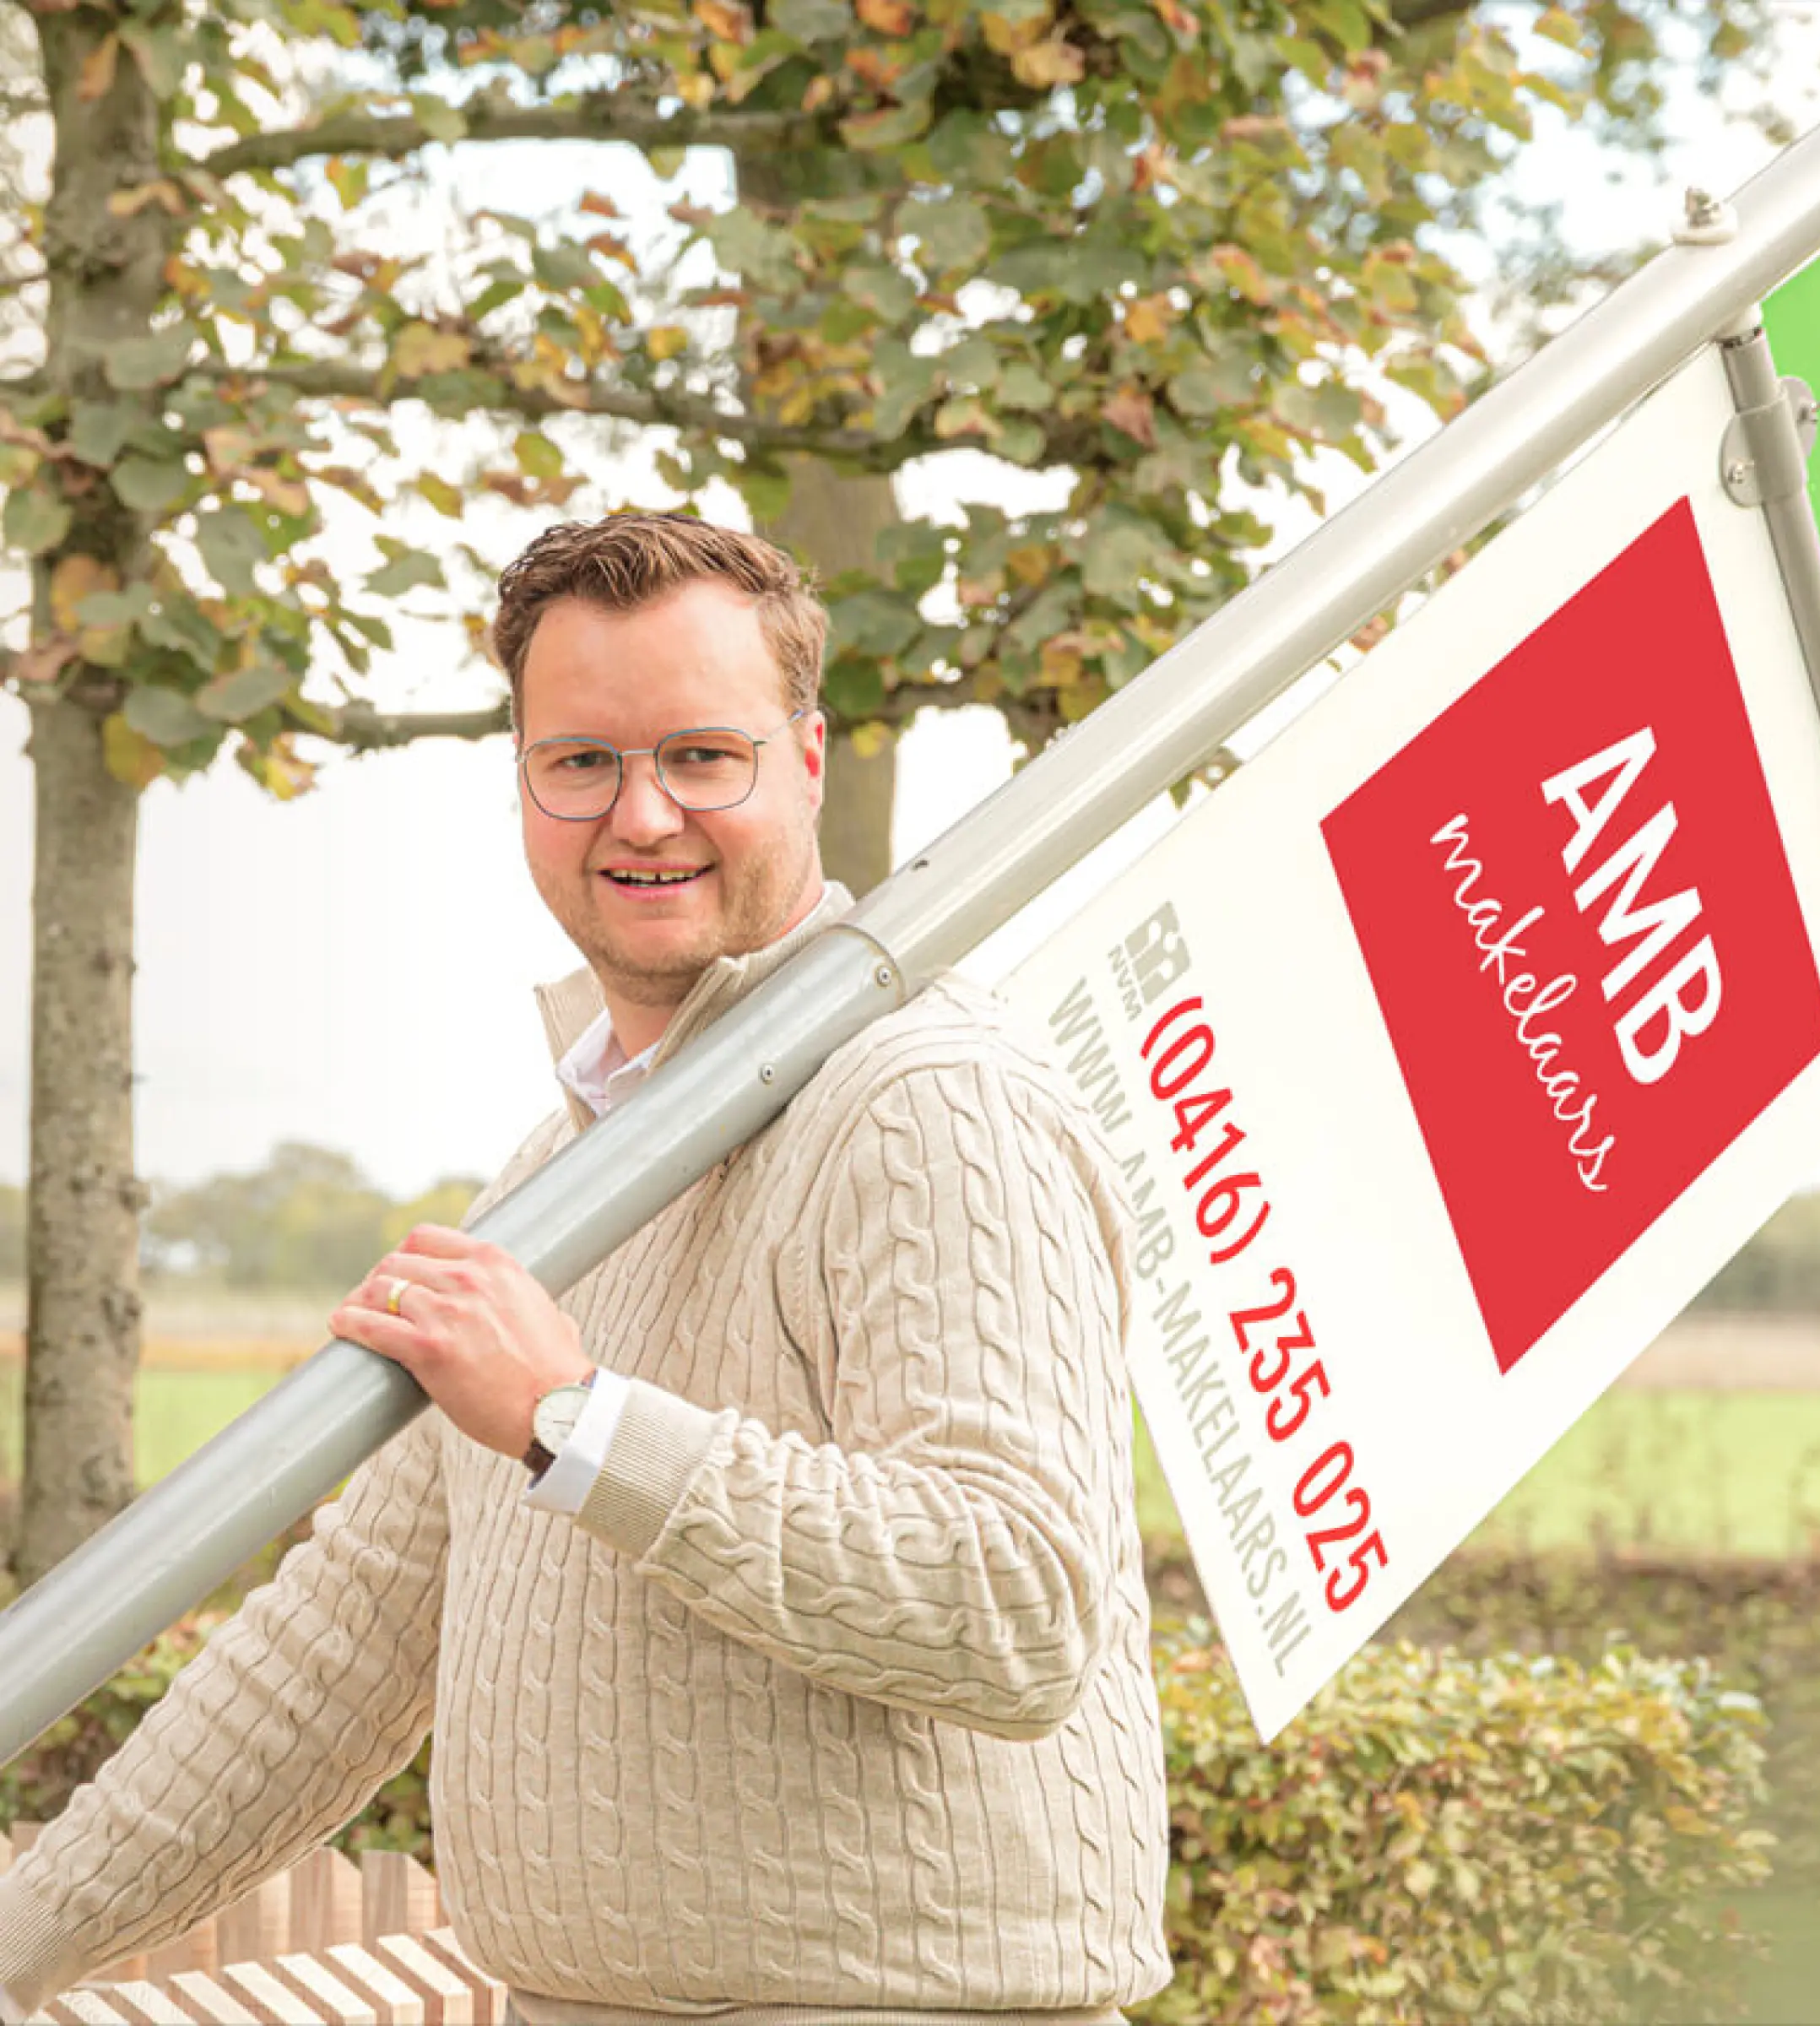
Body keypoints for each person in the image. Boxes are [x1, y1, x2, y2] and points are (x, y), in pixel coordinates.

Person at [0, 515, 1172, 2023]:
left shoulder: (925, 1099)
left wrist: (577, 1421)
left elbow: (1014, 1606)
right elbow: (337, 1648)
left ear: (807, 760)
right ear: (525, 786)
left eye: (702, 757)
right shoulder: (560, 1175)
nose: (642, 817)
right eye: (583, 764)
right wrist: (20, 1939)